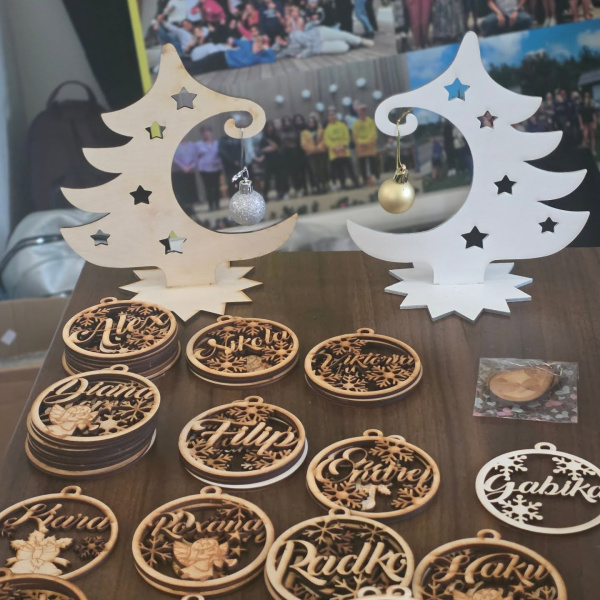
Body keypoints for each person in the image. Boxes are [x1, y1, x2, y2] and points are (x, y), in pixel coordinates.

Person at [188, 27, 275, 73]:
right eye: (256, 44)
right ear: (254, 42)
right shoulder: (248, 44)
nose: (257, 47)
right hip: (223, 56)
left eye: (259, 47)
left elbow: (271, 59)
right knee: (200, 64)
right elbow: (236, 41)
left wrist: (268, 49)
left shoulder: (259, 57)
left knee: (203, 70)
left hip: (225, 65)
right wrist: (232, 40)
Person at [273, 25, 373, 58]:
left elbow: (309, 45)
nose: (279, 42)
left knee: (342, 35)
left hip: (319, 34)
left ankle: (361, 41)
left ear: (284, 37)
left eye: (280, 39)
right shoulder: (284, 49)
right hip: (319, 48)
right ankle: (352, 44)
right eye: (278, 40)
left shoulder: (295, 35)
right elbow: (275, 54)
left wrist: (301, 55)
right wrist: (273, 46)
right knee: (343, 48)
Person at [324, 108, 358, 190]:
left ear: (336, 116)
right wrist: (335, 147)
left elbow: (346, 136)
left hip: (344, 151)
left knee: (350, 168)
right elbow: (327, 140)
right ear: (328, 118)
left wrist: (343, 146)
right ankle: (343, 184)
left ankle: (356, 182)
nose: (332, 117)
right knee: (339, 170)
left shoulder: (342, 125)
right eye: (330, 116)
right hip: (334, 153)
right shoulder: (327, 129)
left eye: (333, 115)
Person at [195, 126, 223, 211]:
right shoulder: (198, 145)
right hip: (204, 169)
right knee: (208, 188)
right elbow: (195, 157)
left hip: (216, 168)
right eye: (204, 132)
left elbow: (221, 154)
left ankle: (217, 205)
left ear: (211, 133)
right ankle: (211, 206)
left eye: (208, 132)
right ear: (202, 134)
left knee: (216, 187)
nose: (206, 134)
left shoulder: (217, 143)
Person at [301, 114, 329, 194]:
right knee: (314, 171)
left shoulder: (321, 130)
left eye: (313, 122)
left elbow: (324, 140)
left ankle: (324, 186)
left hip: (321, 152)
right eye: (310, 122)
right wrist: (313, 149)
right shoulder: (304, 132)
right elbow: (304, 144)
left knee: (322, 170)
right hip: (311, 154)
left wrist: (319, 148)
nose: (311, 124)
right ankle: (317, 187)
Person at [352, 104, 379, 184]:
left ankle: (375, 178)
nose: (362, 113)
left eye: (363, 111)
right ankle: (365, 180)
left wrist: (367, 142)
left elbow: (373, 133)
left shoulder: (370, 121)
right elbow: (355, 135)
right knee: (362, 164)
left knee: (373, 162)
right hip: (361, 147)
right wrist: (361, 142)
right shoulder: (356, 123)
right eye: (360, 112)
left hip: (370, 145)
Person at [260, 120, 287, 200]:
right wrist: (270, 149)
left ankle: (280, 193)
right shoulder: (264, 138)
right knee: (267, 178)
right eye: (268, 127)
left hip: (277, 160)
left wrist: (272, 148)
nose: (269, 128)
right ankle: (265, 195)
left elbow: (278, 147)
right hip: (268, 161)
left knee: (279, 177)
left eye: (271, 126)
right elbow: (262, 149)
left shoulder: (276, 136)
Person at [172, 140, 198, 214]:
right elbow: (175, 158)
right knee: (183, 191)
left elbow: (195, 157)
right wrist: (183, 167)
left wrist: (191, 166)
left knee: (191, 191)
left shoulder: (192, 145)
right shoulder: (176, 146)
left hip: (190, 171)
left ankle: (192, 208)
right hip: (179, 172)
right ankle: (185, 209)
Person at [218, 131, 241, 197]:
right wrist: (233, 161)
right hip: (228, 165)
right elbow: (222, 152)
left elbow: (241, 151)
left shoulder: (238, 140)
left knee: (240, 181)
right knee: (231, 181)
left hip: (239, 165)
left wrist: (239, 161)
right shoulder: (223, 140)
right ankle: (232, 196)